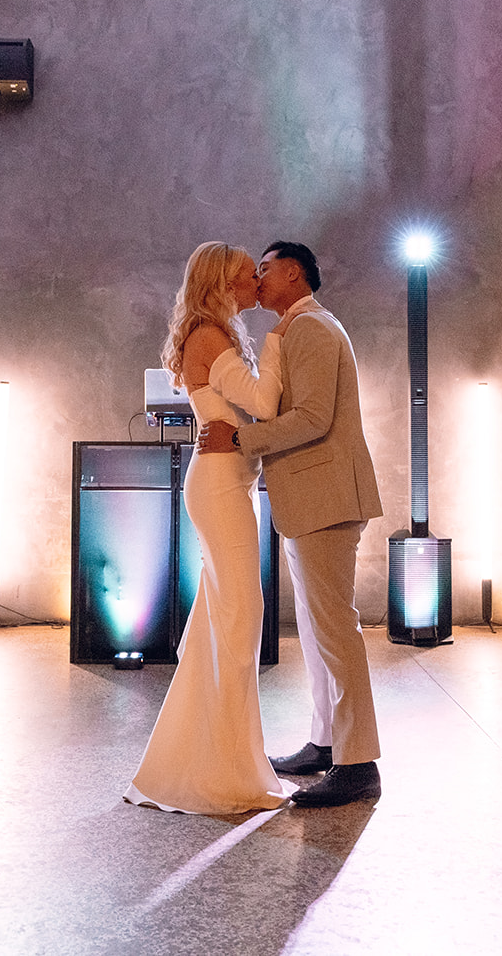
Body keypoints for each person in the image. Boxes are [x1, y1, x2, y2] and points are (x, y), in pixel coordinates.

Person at [197, 241, 384, 809]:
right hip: (311, 501)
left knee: (335, 630)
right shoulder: (298, 329)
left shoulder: (311, 330)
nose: (256, 277)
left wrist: (240, 438)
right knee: (317, 627)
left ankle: (359, 764)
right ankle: (327, 743)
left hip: (326, 499)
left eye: (265, 267)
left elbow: (311, 418)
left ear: (293, 271)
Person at [125, 241, 293, 814]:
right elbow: (264, 403)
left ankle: (213, 760)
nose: (257, 286)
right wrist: (279, 339)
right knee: (242, 619)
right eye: (249, 277)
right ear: (224, 283)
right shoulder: (209, 335)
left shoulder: (212, 332)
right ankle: (228, 772)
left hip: (225, 483)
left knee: (222, 623)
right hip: (220, 488)